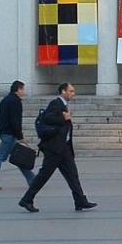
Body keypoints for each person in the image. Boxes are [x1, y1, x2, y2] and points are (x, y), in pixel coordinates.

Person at [18, 83, 97, 213]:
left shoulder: (63, 104)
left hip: (64, 148)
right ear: (63, 91)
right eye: (71, 91)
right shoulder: (56, 103)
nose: (73, 93)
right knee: (44, 175)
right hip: (54, 149)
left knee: (72, 175)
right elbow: (48, 118)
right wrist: (63, 117)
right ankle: (27, 199)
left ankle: (80, 201)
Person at [0, 80, 36, 191]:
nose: (23, 92)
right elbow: (15, 120)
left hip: (4, 132)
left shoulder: (5, 100)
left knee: (19, 157)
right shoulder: (15, 101)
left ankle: (32, 180)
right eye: (23, 89)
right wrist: (20, 135)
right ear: (18, 89)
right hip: (10, 134)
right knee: (0, 157)